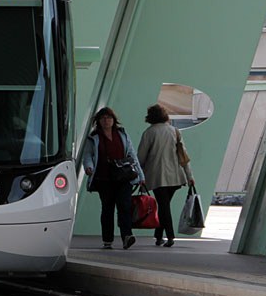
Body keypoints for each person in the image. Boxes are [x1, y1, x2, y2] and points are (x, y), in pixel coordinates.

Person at [81, 107, 144, 249]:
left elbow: (132, 155)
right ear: (98, 121)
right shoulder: (94, 137)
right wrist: (88, 167)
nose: (106, 121)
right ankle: (107, 239)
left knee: (124, 206)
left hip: (123, 177)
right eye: (103, 118)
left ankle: (127, 235)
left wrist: (140, 175)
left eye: (109, 118)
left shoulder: (122, 134)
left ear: (114, 120)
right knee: (107, 209)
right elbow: (88, 156)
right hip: (104, 179)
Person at [136, 103, 195, 247]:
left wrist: (139, 176)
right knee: (164, 205)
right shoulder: (175, 131)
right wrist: (189, 176)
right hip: (175, 176)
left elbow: (141, 157)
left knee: (163, 206)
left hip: (157, 176)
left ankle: (169, 236)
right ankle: (158, 236)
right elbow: (183, 156)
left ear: (150, 118)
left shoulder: (149, 133)